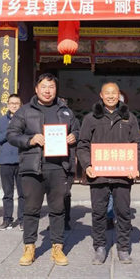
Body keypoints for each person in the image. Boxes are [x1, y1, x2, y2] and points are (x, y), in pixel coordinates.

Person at [7, 73, 80, 267]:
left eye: (51, 87)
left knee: (58, 209)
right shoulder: (24, 111)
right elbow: (12, 135)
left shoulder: (65, 110)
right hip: (33, 167)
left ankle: (57, 247)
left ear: (56, 90)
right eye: (44, 87)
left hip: (59, 167)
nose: (48, 91)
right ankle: (29, 247)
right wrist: (30, 140)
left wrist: (74, 136)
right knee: (31, 209)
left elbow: (78, 129)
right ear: (36, 89)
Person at [77, 82, 140, 265]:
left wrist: (135, 166)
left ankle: (123, 248)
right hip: (98, 175)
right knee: (98, 213)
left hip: (122, 175)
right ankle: (99, 247)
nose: (111, 96)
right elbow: (82, 145)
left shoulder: (129, 118)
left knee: (123, 212)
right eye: (107, 93)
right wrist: (87, 165)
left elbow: (137, 145)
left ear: (119, 95)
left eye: (114, 93)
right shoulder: (91, 118)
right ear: (101, 95)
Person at [0, 93, 24, 231]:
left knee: (23, 193)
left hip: (21, 160)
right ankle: (7, 220)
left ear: (21, 105)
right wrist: (9, 130)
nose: (14, 105)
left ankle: (23, 220)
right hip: (5, 162)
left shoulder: (25, 120)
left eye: (16, 103)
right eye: (11, 103)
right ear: (8, 105)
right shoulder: (1, 121)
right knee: (7, 194)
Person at [59, 96, 74, 231]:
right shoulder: (47, 116)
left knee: (65, 193)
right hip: (50, 162)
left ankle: (66, 220)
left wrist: (75, 135)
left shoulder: (71, 116)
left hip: (67, 161)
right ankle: (56, 222)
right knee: (53, 195)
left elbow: (80, 132)